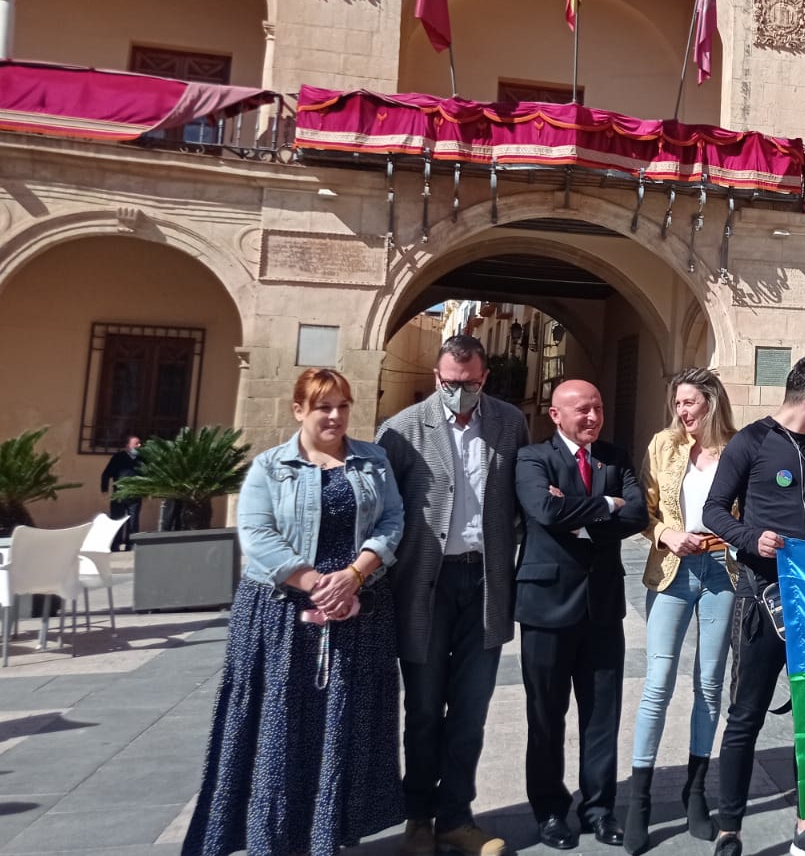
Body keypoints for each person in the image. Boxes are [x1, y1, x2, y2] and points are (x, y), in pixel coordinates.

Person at [183, 368, 404, 856]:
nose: (335, 415)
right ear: (298, 410)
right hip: (281, 613)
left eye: (343, 405)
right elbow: (258, 535)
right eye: (324, 406)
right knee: (280, 721)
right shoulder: (270, 466)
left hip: (359, 609)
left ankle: (328, 832)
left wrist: (353, 576)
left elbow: (392, 520)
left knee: (342, 720)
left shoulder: (374, 460)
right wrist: (317, 584)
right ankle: (273, 835)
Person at [377, 334, 531, 856]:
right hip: (425, 586)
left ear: (483, 379)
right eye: (448, 382)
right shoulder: (401, 431)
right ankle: (418, 817)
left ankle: (457, 817)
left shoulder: (509, 424)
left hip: (485, 583)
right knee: (422, 708)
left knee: (469, 709)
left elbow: (520, 501)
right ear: (435, 377)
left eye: (467, 383)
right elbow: (383, 515)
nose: (457, 391)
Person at [702, 354, 805, 856]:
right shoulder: (751, 441)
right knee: (745, 714)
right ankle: (730, 827)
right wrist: (751, 538)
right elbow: (713, 511)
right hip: (760, 595)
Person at [517, 379, 647, 849]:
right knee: (546, 716)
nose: (592, 417)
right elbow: (544, 511)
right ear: (555, 415)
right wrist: (604, 506)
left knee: (601, 717)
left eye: (597, 407)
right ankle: (550, 811)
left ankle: (599, 809)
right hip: (546, 607)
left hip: (601, 608)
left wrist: (584, 510)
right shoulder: (533, 458)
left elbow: (637, 516)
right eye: (581, 410)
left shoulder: (615, 457)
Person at [625, 369, 740, 854]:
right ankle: (640, 801)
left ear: (712, 402)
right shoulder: (663, 446)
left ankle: (696, 793)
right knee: (658, 682)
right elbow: (644, 509)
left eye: (690, 402)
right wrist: (666, 535)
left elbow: (750, 511)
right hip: (672, 570)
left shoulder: (739, 448)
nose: (682, 411)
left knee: (710, 683)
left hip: (721, 572)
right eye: (678, 403)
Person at [100, 432, 143, 550]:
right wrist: (104, 488)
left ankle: (131, 544)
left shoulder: (142, 459)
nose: (139, 446)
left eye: (139, 443)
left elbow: (147, 475)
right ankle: (115, 544)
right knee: (117, 521)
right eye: (136, 444)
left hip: (135, 495)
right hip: (119, 495)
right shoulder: (118, 458)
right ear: (128, 446)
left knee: (133, 521)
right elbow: (106, 474)